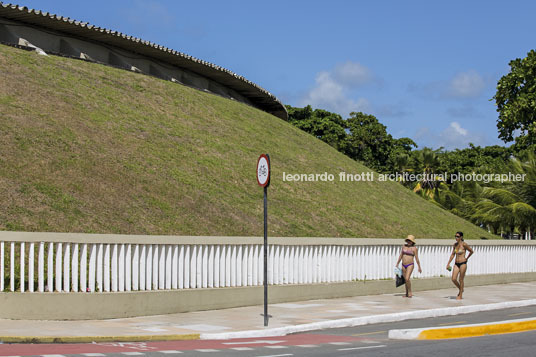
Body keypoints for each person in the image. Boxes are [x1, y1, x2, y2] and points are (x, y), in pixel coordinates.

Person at [446, 231, 474, 300]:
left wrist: (466, 258)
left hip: (463, 263)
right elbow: (453, 254)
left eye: (458, 236)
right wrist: (448, 263)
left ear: (461, 237)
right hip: (456, 263)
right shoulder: (455, 245)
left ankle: (460, 294)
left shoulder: (464, 244)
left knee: (461, 279)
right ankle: (461, 289)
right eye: (455, 236)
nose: (456, 238)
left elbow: (471, 251)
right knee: (453, 279)